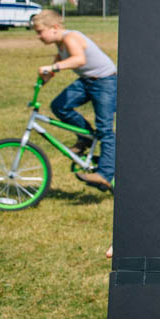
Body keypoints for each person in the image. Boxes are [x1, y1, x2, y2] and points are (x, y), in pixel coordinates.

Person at [31, 10, 117, 190]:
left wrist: (53, 67)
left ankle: (105, 174)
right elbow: (62, 57)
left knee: (104, 129)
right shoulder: (60, 43)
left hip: (105, 81)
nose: (38, 36)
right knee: (60, 106)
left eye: (40, 31)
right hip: (87, 81)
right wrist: (46, 78)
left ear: (54, 28)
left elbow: (79, 59)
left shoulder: (71, 37)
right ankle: (85, 138)